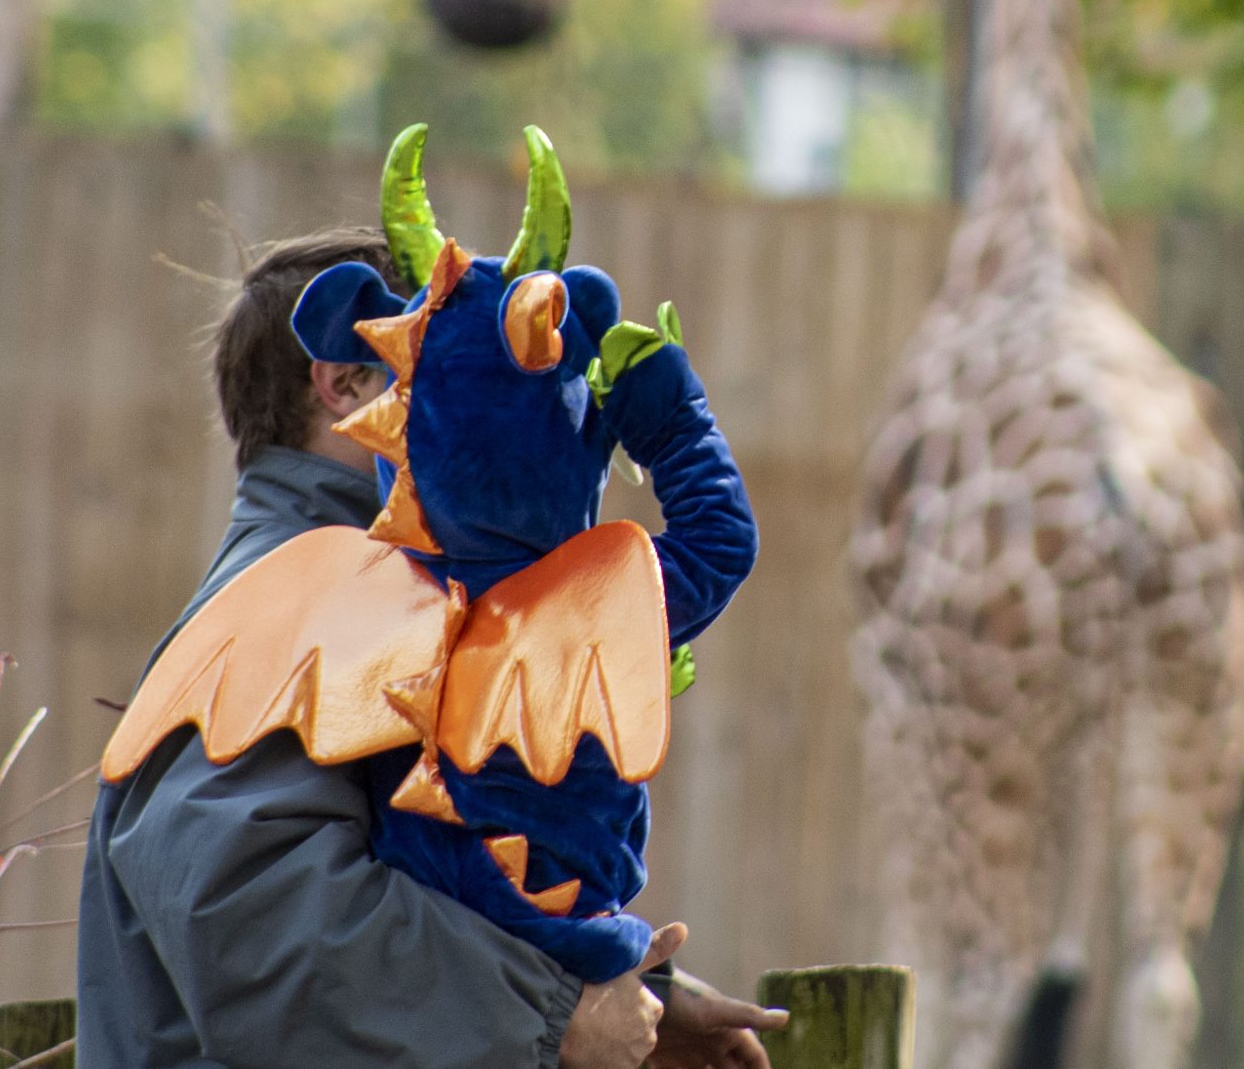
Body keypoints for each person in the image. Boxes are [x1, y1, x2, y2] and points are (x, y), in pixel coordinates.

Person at [76, 227, 785, 1069]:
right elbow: (251, 916)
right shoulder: (287, 600)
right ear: (343, 383)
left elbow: (428, 872)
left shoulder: (398, 593)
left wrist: (629, 995)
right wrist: (552, 1017)